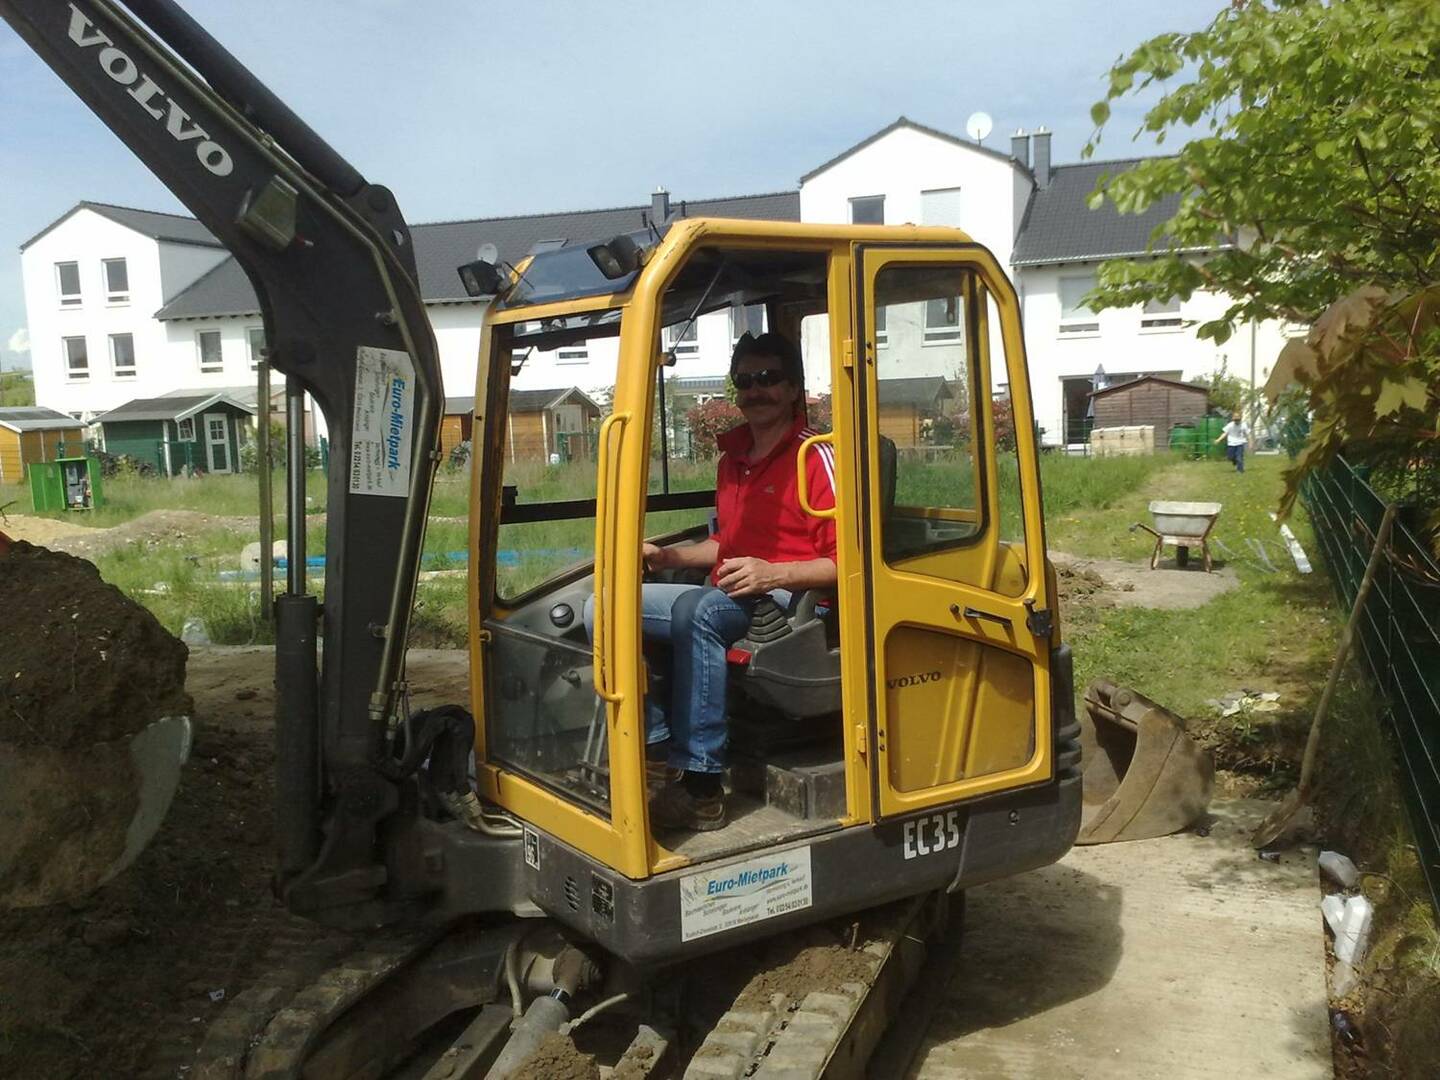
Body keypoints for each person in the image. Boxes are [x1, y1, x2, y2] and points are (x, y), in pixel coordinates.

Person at [635, 331, 837, 832]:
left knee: (697, 611)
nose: (755, 390)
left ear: (793, 389)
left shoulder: (815, 456)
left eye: (768, 378)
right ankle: (656, 752)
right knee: (609, 604)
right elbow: (726, 543)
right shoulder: (733, 460)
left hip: (791, 602)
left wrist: (774, 573)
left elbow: (851, 559)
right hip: (732, 590)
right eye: (744, 381)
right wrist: (668, 556)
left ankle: (702, 786)